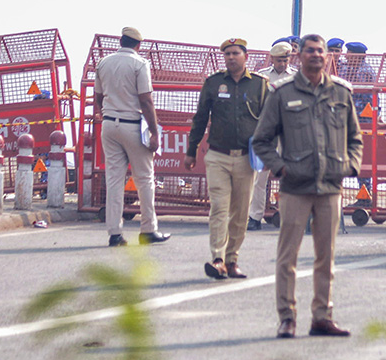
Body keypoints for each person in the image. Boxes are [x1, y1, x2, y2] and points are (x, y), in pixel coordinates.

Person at [251, 34, 362, 339]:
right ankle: (287, 317)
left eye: (320, 51)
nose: (315, 55)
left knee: (326, 256)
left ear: (328, 57)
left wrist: (349, 166)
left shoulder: (341, 93)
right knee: (288, 257)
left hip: (330, 188)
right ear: (299, 56)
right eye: (310, 51)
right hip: (295, 188)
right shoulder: (282, 93)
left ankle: (322, 317)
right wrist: (281, 167)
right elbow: (261, 140)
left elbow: (356, 137)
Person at [185, 37, 268, 279]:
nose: (231, 57)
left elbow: (270, 122)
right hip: (217, 156)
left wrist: (269, 153)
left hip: (246, 159)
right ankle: (218, 259)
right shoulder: (213, 83)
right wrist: (191, 150)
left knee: (241, 213)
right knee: (219, 209)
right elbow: (200, 118)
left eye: (235, 53)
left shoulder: (260, 86)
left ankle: (232, 260)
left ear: (246, 57)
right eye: (227, 54)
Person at [97, 26, 168, 247]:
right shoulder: (140, 64)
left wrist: (107, 113)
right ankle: (148, 229)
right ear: (138, 45)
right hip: (133, 125)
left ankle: (115, 233)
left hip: (109, 124)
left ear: (121, 41)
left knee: (114, 180)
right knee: (145, 179)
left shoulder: (104, 62)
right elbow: (146, 100)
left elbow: (97, 98)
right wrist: (155, 132)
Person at [247, 40, 296, 229]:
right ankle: (255, 217)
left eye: (285, 60)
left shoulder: (296, 77)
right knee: (260, 176)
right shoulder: (262, 78)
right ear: (272, 59)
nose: (282, 64)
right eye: (278, 61)